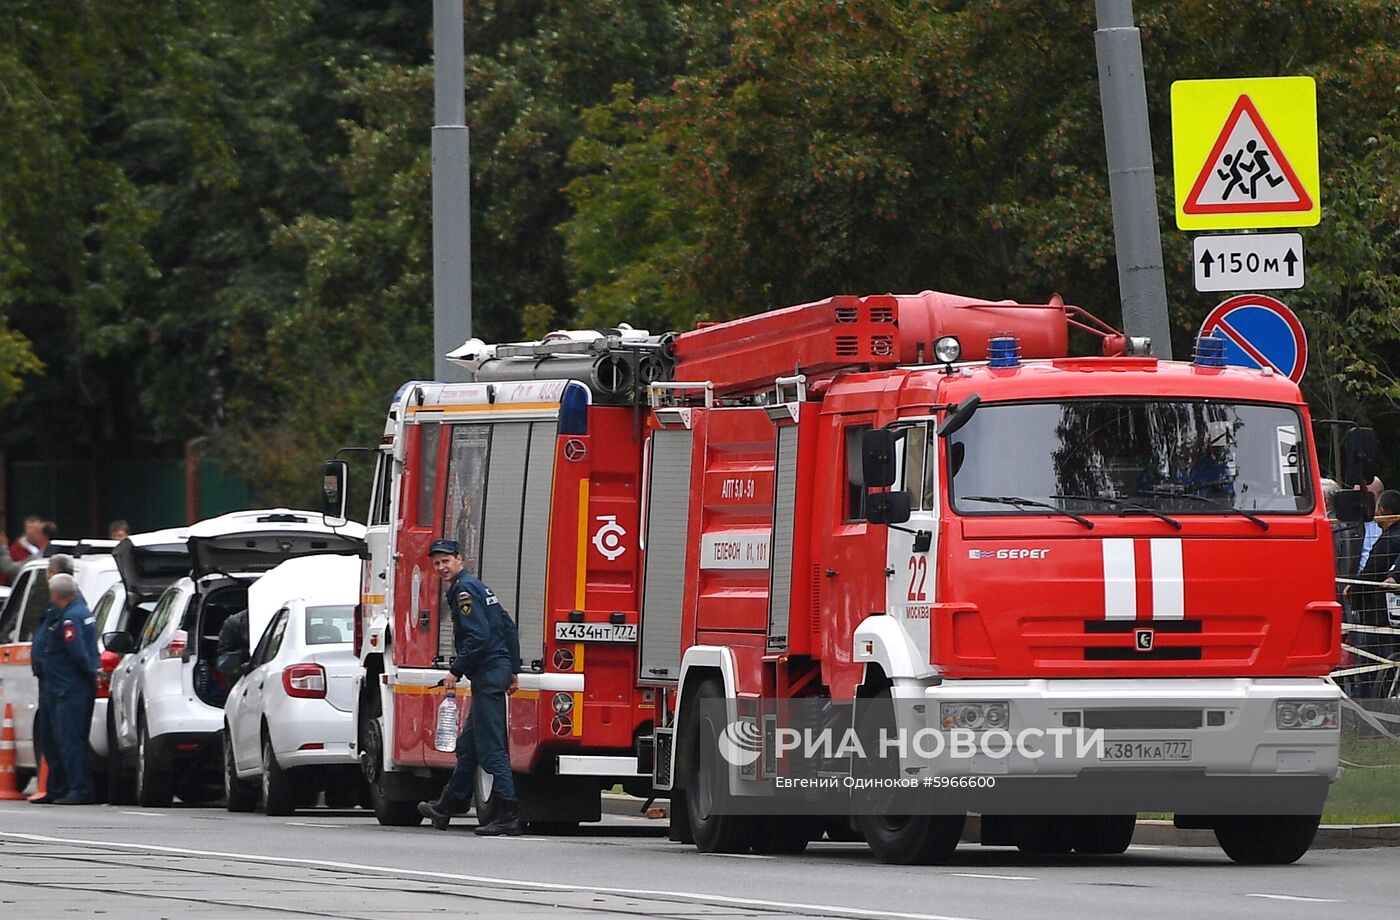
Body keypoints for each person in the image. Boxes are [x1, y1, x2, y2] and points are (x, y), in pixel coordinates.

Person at [417, 539, 522, 835]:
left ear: (459, 559)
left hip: (488, 673)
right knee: (468, 747)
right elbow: (507, 626)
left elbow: (477, 636)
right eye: (436, 563)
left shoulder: (464, 591)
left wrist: (455, 670)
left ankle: (508, 815)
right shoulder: (479, 587)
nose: (441, 567)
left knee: (491, 748)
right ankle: (444, 807)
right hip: (495, 670)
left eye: (445, 561)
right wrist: (512, 668)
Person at [30, 573, 99, 804]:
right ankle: (58, 787)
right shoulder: (70, 613)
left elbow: (78, 652)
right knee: (55, 738)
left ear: (56, 594)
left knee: (70, 739)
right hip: (58, 685)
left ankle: (79, 789)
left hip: (68, 687)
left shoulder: (71, 617)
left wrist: (88, 673)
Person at [1347, 489, 1400, 698]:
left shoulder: (1389, 540)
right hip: (1385, 615)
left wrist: (1354, 588)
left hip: (1376, 615)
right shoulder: (1390, 537)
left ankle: (1370, 714)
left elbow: (1372, 571)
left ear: (1382, 510)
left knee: (1369, 665)